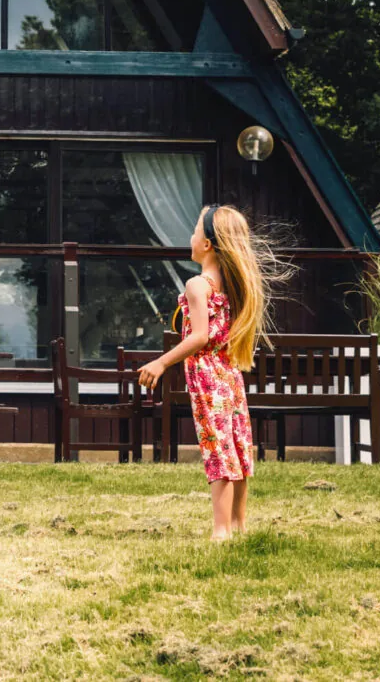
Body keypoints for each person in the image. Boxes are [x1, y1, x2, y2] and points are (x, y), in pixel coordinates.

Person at [136, 204, 273, 541]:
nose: (191, 236)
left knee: (218, 450)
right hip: (229, 375)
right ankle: (239, 525)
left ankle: (221, 530)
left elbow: (199, 336)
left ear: (208, 244)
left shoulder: (198, 284)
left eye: (196, 230)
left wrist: (161, 362)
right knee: (237, 447)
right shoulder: (231, 285)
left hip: (209, 378)